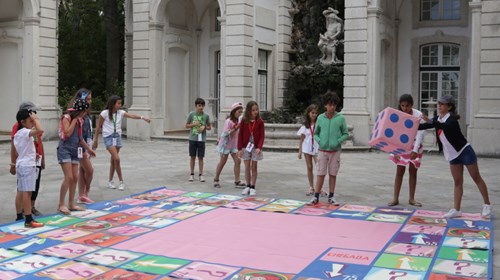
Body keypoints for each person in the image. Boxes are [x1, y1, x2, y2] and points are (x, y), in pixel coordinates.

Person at [419, 95, 492, 218]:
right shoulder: (438, 119)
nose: (439, 106)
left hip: (464, 151)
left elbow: (445, 126)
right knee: (457, 182)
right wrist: (408, 125)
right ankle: (456, 209)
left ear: (449, 107)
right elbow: (423, 126)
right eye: (439, 104)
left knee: (476, 177)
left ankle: (487, 204)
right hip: (452, 155)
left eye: (442, 104)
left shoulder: (451, 119)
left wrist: (430, 121)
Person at [93, 95, 151, 191]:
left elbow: (132, 116)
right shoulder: (104, 113)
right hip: (108, 137)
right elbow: (98, 127)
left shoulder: (120, 113)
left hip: (117, 137)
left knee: (113, 161)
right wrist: (95, 140)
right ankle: (121, 181)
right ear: (113, 104)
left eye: (120, 103)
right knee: (117, 159)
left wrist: (143, 117)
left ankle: (110, 181)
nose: (120, 105)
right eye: (118, 103)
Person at [308, 91, 349, 205]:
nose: (332, 107)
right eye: (330, 104)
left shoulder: (340, 118)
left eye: (334, 105)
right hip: (322, 151)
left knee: (333, 173)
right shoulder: (320, 118)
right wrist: (320, 141)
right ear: (325, 105)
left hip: (335, 151)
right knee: (320, 173)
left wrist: (338, 141)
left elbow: (346, 133)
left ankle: (331, 196)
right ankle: (316, 196)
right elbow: (316, 133)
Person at [57, 99, 95, 215]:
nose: (84, 115)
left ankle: (71, 203)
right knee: (68, 177)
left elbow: (80, 137)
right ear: (80, 111)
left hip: (75, 150)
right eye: (84, 112)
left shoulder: (81, 120)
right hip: (65, 149)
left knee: (75, 177)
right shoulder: (67, 118)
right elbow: (67, 133)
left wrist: (89, 149)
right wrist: (74, 120)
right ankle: (61, 204)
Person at [388, 94, 425, 207]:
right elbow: (394, 133)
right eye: (402, 106)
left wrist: (415, 150)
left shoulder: (418, 115)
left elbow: (420, 133)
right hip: (402, 145)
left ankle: (412, 198)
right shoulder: (399, 115)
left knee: (413, 172)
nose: (405, 108)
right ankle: (395, 198)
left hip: (415, 144)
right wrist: (395, 151)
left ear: (411, 105)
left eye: (407, 106)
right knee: (399, 172)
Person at [10, 102, 45, 217]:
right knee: (27, 192)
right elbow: (40, 130)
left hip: (23, 163)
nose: (33, 119)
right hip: (27, 166)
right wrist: (36, 119)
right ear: (23, 122)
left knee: (21, 191)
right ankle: (28, 218)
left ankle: (19, 215)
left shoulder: (20, 132)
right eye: (30, 119)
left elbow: (24, 148)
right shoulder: (25, 131)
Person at [213, 102, 245, 188]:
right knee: (223, 161)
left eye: (241, 112)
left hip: (234, 144)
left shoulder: (240, 119)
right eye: (239, 112)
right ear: (234, 111)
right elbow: (225, 133)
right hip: (225, 144)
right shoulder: (228, 121)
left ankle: (237, 180)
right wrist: (236, 128)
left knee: (238, 161)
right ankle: (216, 179)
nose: (240, 113)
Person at [72, 89, 95, 204]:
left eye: (90, 99)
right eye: (88, 99)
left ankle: (82, 195)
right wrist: (87, 149)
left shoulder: (87, 114)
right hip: (81, 147)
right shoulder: (79, 115)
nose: (90, 101)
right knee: (89, 170)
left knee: (83, 170)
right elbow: (79, 135)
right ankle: (86, 192)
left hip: (87, 144)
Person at [238, 101, 265, 196]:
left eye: (256, 110)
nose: (255, 112)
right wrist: (240, 148)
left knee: (254, 167)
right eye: (253, 110)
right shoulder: (244, 121)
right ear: (249, 111)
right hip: (246, 147)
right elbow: (240, 134)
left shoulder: (260, 122)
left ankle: (253, 186)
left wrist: (259, 147)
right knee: (246, 167)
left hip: (255, 147)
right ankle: (247, 186)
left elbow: (262, 135)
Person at [185, 98, 211, 182]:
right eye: (199, 105)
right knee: (192, 156)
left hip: (201, 139)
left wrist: (205, 127)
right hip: (193, 138)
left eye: (202, 105)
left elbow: (209, 127)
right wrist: (194, 124)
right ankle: (192, 174)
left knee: (201, 157)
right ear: (196, 106)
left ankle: (200, 174)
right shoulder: (192, 114)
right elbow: (186, 125)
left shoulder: (206, 116)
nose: (201, 107)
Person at [297, 104, 320, 196]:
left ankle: (320, 187)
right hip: (307, 149)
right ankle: (311, 186)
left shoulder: (318, 125)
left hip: (316, 149)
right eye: (312, 113)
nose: (314, 115)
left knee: (319, 167)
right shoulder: (305, 126)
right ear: (308, 113)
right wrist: (300, 151)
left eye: (316, 113)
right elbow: (301, 140)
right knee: (309, 167)